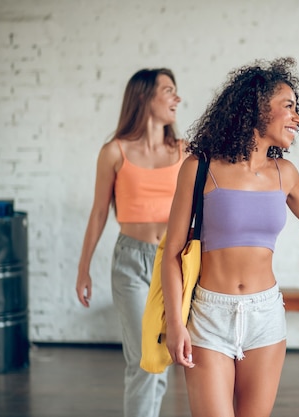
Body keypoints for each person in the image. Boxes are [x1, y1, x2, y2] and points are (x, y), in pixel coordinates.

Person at [160, 57, 299, 417]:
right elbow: (172, 254)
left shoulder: (283, 173)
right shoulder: (199, 167)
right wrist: (175, 326)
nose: (297, 118)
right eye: (288, 106)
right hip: (210, 315)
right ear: (256, 109)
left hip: (266, 315)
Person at [75, 68, 184, 417]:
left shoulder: (185, 152)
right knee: (142, 359)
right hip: (131, 262)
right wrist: (83, 270)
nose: (177, 98)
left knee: (162, 354)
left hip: (173, 262)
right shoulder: (114, 152)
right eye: (168, 90)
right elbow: (98, 214)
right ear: (143, 97)